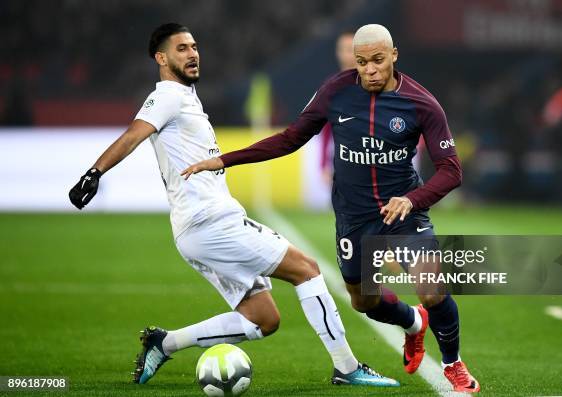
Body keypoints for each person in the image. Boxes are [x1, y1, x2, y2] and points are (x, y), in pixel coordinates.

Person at [67, 23, 399, 388]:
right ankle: (347, 368)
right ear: (161, 58)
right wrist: (94, 173)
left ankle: (165, 342)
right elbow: (134, 133)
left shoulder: (186, 98)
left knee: (263, 319)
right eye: (181, 49)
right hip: (210, 222)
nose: (192, 53)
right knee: (306, 269)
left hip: (197, 229)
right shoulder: (167, 97)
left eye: (194, 46)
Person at [182, 24, 480, 393]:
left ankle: (453, 364)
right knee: (364, 302)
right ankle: (413, 324)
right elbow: (291, 138)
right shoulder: (336, 92)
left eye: (377, 61)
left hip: (403, 212)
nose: (369, 69)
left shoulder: (422, 104)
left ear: (394, 56)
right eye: (361, 62)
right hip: (354, 218)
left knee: (432, 289)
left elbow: (452, 170)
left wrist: (411, 200)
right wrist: (224, 160)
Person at [320, 31, 357, 187]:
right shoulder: (331, 86)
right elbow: (326, 127)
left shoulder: (374, 83)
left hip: (371, 158)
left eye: (350, 49)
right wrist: (323, 164)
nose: (346, 54)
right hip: (342, 160)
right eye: (343, 49)